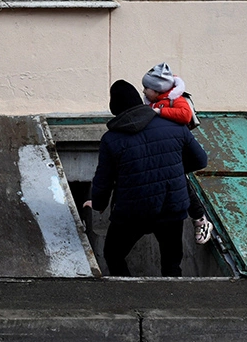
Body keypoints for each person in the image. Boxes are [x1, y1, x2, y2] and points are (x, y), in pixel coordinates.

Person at [85, 79, 208, 277]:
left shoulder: (111, 139)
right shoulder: (174, 126)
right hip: (171, 206)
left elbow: (104, 179)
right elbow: (201, 160)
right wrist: (172, 169)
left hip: (132, 212)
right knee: (171, 263)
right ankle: (172, 295)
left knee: (113, 255)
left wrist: (98, 203)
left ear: (114, 107)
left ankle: (129, 292)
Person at [142, 62, 214, 245]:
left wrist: (159, 111)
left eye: (146, 88)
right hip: (169, 149)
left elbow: (185, 115)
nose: (143, 91)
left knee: (181, 182)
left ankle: (201, 220)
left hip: (179, 148)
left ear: (157, 90)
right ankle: (199, 219)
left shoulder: (174, 99)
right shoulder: (156, 101)